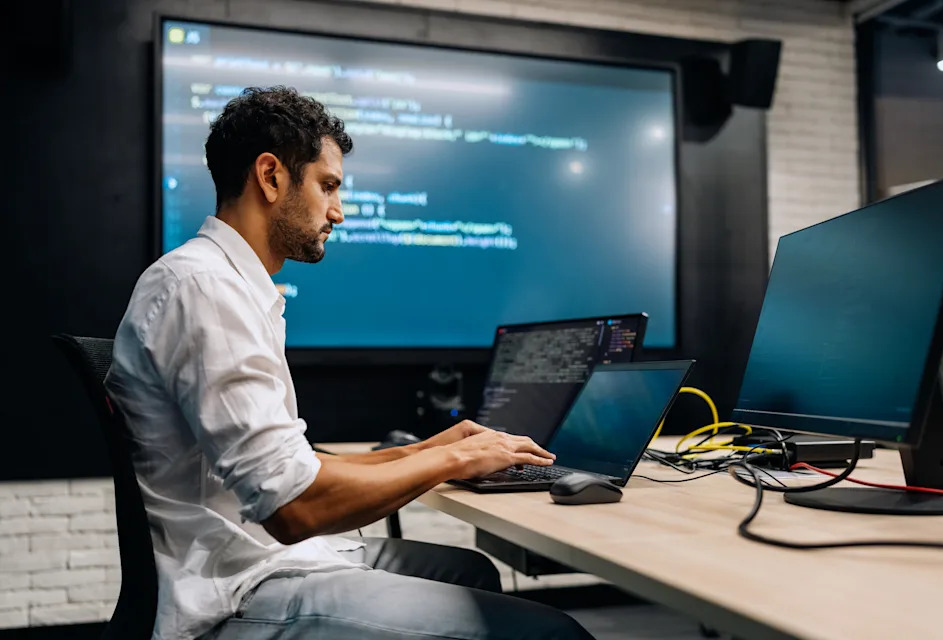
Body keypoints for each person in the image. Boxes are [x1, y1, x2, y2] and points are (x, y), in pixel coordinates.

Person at [105, 86, 594, 640]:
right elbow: (293, 507)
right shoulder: (203, 289)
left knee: (473, 572)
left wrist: (430, 448)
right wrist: (452, 463)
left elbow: (294, 467)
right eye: (328, 186)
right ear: (270, 177)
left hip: (256, 557)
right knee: (557, 634)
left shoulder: (229, 285)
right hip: (234, 588)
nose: (337, 211)